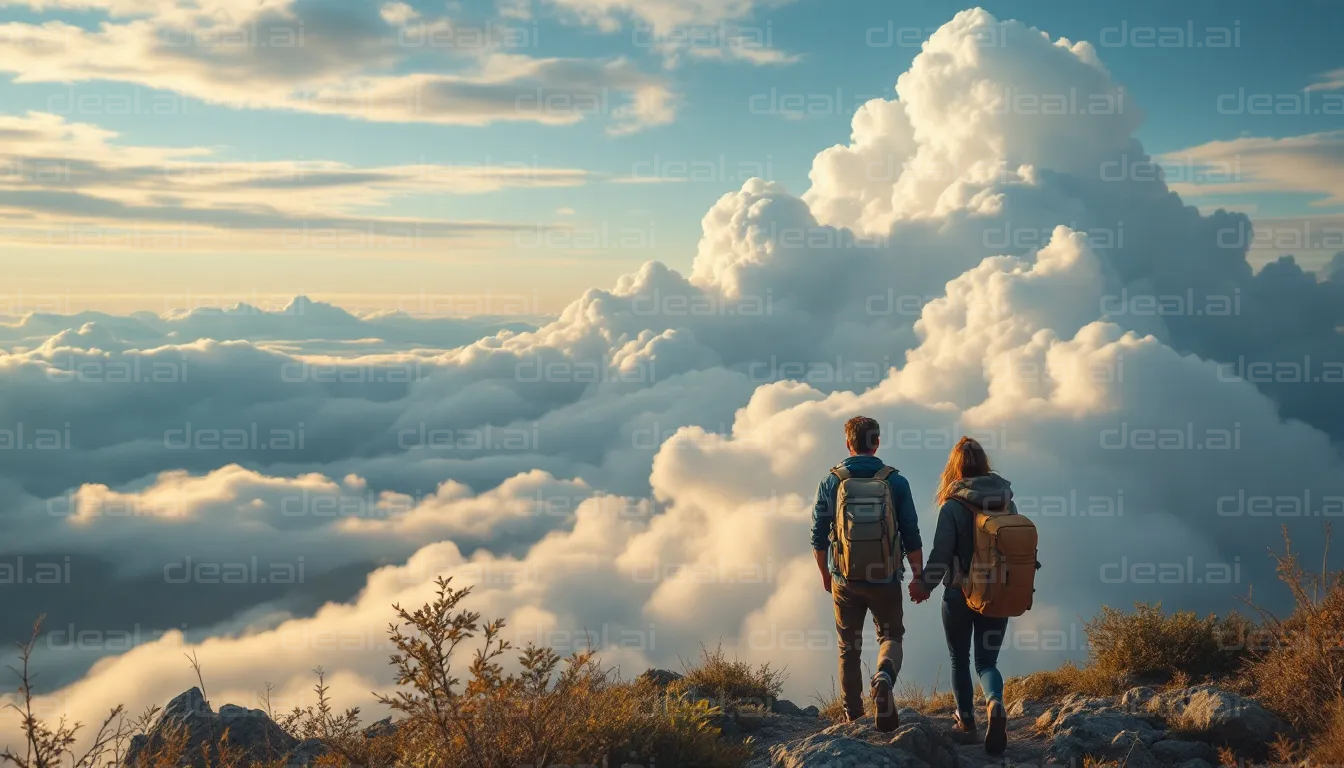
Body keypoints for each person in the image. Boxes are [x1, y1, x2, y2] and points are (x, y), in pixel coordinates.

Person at [811, 416, 923, 731]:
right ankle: (884, 676)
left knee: (848, 647)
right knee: (891, 636)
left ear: (848, 443)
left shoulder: (831, 481)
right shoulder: (895, 482)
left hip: (845, 579)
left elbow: (818, 537)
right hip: (885, 577)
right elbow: (911, 533)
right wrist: (919, 576)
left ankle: (854, 716)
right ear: (877, 442)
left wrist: (825, 575)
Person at [909, 436, 1014, 755]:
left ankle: (967, 725)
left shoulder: (953, 505)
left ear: (954, 468)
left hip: (958, 593)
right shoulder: (1005, 500)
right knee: (987, 662)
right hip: (995, 593)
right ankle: (995, 703)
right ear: (984, 464)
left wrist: (924, 585)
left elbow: (941, 553)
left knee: (959, 659)